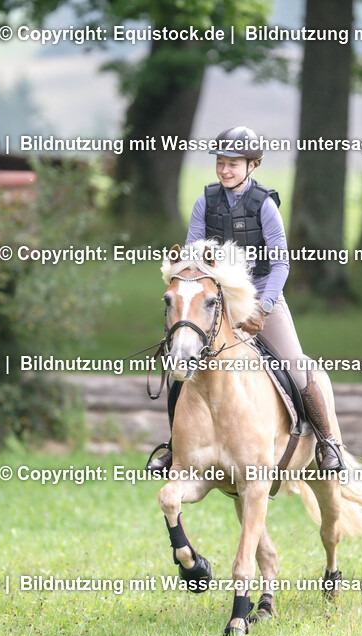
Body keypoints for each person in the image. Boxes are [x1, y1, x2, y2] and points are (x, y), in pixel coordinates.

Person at [146, 125, 344, 474]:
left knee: (296, 366)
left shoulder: (264, 205)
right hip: (217, 303)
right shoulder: (204, 201)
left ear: (253, 165)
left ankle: (328, 444)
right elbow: (192, 257)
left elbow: (281, 263)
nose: (224, 170)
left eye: (233, 164)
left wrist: (265, 308)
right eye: (221, 162)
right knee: (181, 364)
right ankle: (173, 446)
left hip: (262, 298)